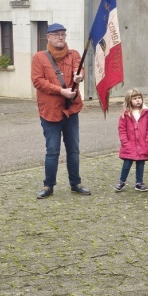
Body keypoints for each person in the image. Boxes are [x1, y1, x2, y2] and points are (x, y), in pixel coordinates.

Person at [31, 22, 91, 198]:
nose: (60, 37)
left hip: (71, 109)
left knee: (73, 149)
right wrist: (61, 91)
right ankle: (48, 185)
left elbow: (78, 70)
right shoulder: (39, 58)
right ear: (48, 37)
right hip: (50, 111)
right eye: (57, 34)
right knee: (53, 150)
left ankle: (75, 183)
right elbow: (38, 81)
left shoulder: (74, 55)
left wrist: (79, 77)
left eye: (63, 34)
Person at [114, 88, 148, 192]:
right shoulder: (126, 114)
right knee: (127, 164)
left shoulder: (147, 113)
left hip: (143, 144)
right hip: (129, 144)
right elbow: (122, 129)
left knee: (140, 163)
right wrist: (125, 142)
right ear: (129, 100)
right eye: (135, 98)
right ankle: (121, 181)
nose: (138, 100)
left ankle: (139, 182)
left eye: (139, 98)